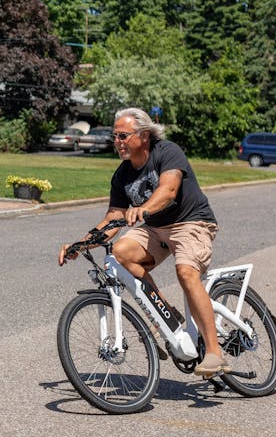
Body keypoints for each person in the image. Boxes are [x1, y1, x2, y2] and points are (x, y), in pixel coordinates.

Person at [57, 107, 226, 377]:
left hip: (191, 222)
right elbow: (113, 218)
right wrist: (80, 245)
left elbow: (169, 190)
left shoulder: (167, 151)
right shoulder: (122, 174)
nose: (117, 142)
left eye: (123, 136)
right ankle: (167, 314)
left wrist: (144, 208)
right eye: (115, 136)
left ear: (144, 135)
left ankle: (215, 353)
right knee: (120, 252)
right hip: (156, 229)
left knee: (185, 272)